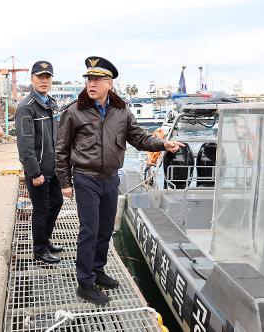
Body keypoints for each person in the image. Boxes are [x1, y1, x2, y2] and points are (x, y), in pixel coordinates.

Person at [55, 56, 184, 305]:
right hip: (86, 178)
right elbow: (61, 149)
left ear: (109, 83)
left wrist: (163, 144)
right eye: (88, 79)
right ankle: (85, 282)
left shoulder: (121, 110)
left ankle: (98, 270)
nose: (91, 84)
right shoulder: (74, 111)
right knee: (89, 230)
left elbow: (139, 138)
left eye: (97, 80)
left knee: (105, 229)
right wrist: (65, 182)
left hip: (111, 178)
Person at [16, 61, 64, 264]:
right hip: (38, 170)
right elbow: (25, 145)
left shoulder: (51, 104)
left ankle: (45, 241)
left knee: (57, 202)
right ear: (32, 79)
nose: (44, 80)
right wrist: (35, 173)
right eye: (39, 77)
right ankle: (39, 250)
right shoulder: (26, 108)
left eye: (47, 77)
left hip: (53, 168)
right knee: (41, 209)